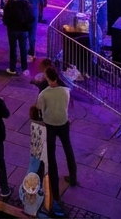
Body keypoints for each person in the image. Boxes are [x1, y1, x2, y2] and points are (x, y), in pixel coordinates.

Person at [38, 67, 77, 214]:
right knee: (68, 148)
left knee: (51, 156)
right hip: (63, 123)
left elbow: (41, 109)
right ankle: (73, 177)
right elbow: (66, 107)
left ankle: (55, 192)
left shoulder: (44, 94)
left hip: (50, 125)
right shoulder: (66, 91)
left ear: (48, 79)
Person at [2, 0, 34, 76]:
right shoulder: (25, 3)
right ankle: (24, 68)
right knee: (23, 49)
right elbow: (31, 17)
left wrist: (7, 23)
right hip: (23, 29)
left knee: (13, 49)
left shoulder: (9, 3)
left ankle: (12, 68)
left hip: (12, 29)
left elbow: (6, 16)